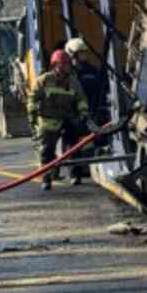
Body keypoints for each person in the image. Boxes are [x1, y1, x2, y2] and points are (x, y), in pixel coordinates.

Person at [28, 49, 93, 191]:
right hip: (49, 121)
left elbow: (81, 99)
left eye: (68, 64)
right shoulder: (44, 80)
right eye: (64, 64)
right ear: (56, 65)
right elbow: (33, 98)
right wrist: (32, 114)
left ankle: (75, 175)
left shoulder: (73, 82)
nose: (67, 67)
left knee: (74, 148)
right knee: (47, 151)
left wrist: (83, 113)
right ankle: (47, 179)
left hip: (68, 119)